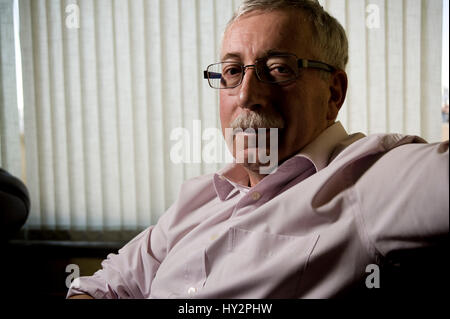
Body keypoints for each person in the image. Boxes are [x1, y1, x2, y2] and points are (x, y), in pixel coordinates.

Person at [67, 0, 448, 299]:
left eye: (280, 68)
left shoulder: (371, 179)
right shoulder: (200, 196)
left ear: (334, 93)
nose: (247, 95)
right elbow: (108, 285)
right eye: (233, 71)